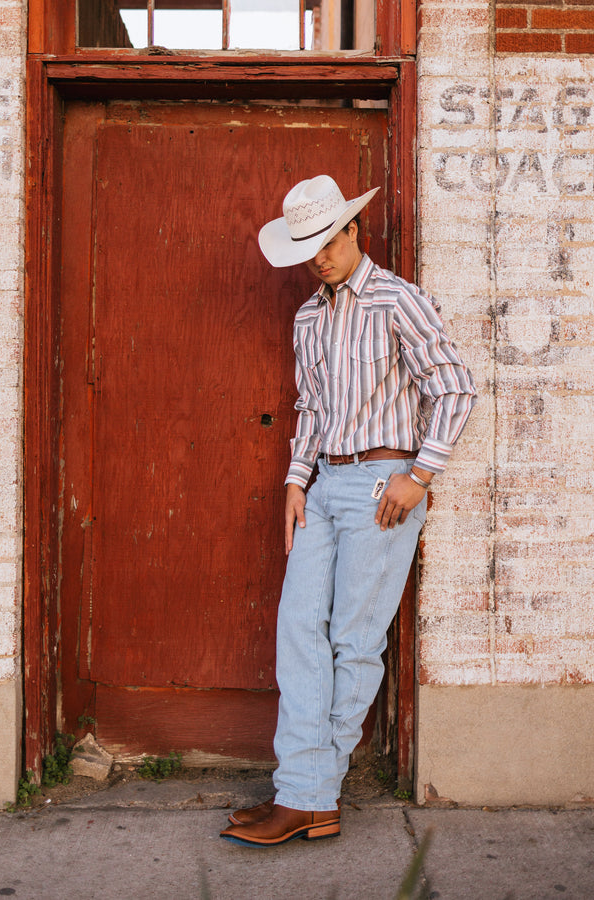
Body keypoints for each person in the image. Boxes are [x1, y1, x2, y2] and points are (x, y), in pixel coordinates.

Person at [220, 175, 477, 848]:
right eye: (308, 247)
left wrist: (419, 476)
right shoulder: (309, 316)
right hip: (323, 487)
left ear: (352, 231)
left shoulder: (397, 301)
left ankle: (307, 796)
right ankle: (303, 793)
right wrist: (295, 480)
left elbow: (454, 387)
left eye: (327, 242)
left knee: (353, 640)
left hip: (383, 485)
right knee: (299, 629)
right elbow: (313, 408)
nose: (320, 257)